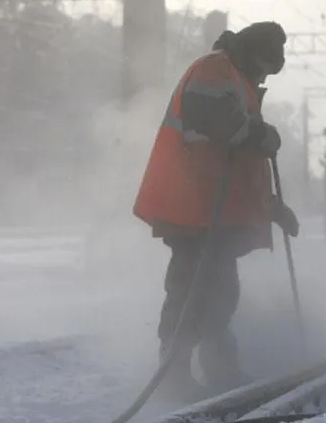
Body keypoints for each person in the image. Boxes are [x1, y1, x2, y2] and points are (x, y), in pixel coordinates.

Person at [132, 21, 300, 401]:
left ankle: (221, 370)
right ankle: (174, 374)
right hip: (191, 206)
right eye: (263, 68)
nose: (262, 76)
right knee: (190, 291)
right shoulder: (214, 69)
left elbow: (238, 167)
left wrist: (273, 208)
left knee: (220, 293)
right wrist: (259, 134)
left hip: (214, 212)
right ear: (255, 55)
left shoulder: (238, 81)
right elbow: (216, 123)